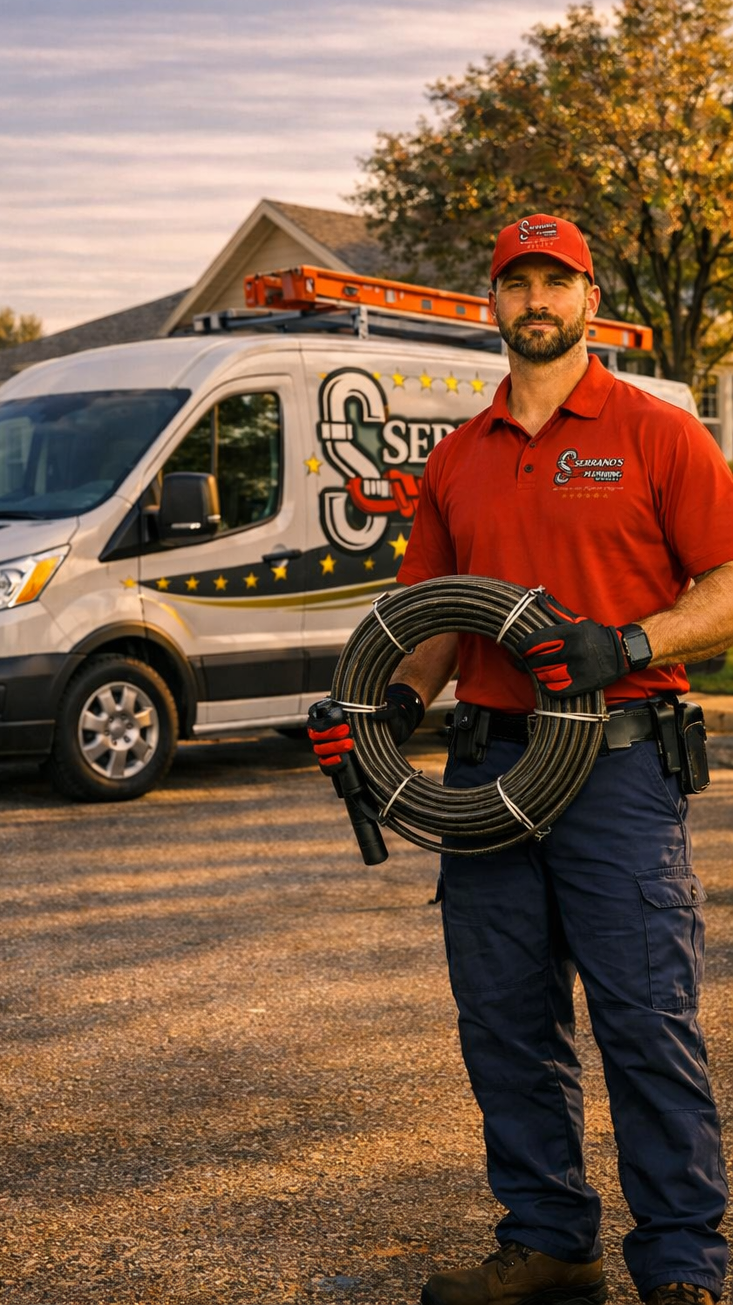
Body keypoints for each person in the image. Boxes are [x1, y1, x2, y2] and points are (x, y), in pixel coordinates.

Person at [310, 214, 733, 1305]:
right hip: (489, 772)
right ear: (492, 303)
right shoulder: (457, 459)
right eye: (516, 283)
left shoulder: (655, 433)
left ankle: (682, 1266)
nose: (535, 300)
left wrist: (627, 642)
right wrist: (375, 712)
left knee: (644, 1017)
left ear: (589, 299)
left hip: (621, 768)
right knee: (502, 1018)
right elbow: (433, 626)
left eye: (556, 281)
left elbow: (727, 586)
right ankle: (548, 1243)